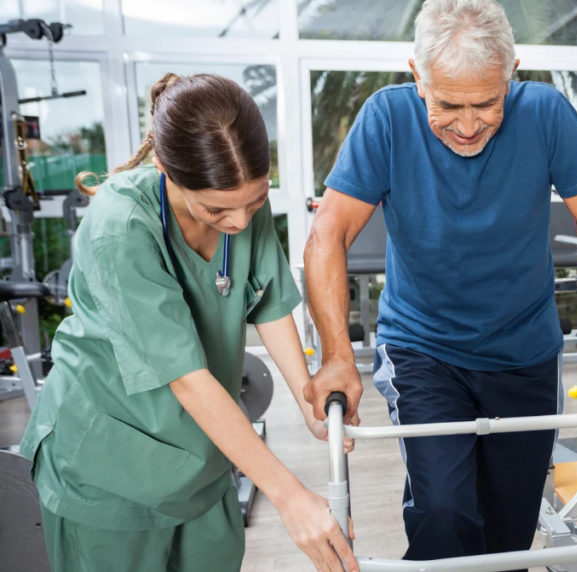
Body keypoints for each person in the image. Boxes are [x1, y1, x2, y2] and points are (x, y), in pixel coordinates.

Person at [303, 0, 577, 564]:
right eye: (447, 104)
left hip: (524, 354)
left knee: (507, 536)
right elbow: (326, 235)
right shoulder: (386, 119)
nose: (467, 125)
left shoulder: (545, 114)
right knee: (444, 513)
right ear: (417, 77)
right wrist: (338, 355)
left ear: (513, 75)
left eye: (486, 103)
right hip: (423, 350)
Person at [19, 73, 358, 572]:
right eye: (217, 209)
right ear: (166, 170)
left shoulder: (240, 193)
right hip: (106, 465)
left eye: (256, 201)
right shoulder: (120, 227)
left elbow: (266, 301)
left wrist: (308, 398)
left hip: (201, 460)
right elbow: (186, 379)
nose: (240, 222)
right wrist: (289, 495)